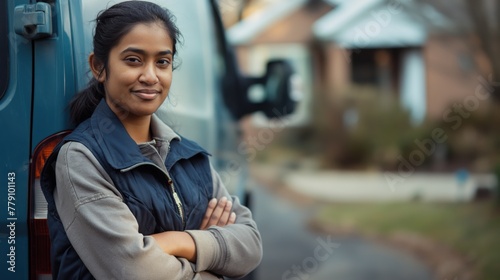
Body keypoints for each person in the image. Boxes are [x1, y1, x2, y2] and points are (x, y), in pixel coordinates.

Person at [40, 1, 262, 279]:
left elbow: (251, 246)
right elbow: (135, 271)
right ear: (99, 66)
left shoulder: (189, 156)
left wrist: (180, 242)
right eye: (133, 60)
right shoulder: (81, 158)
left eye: (162, 62)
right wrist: (213, 257)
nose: (150, 76)